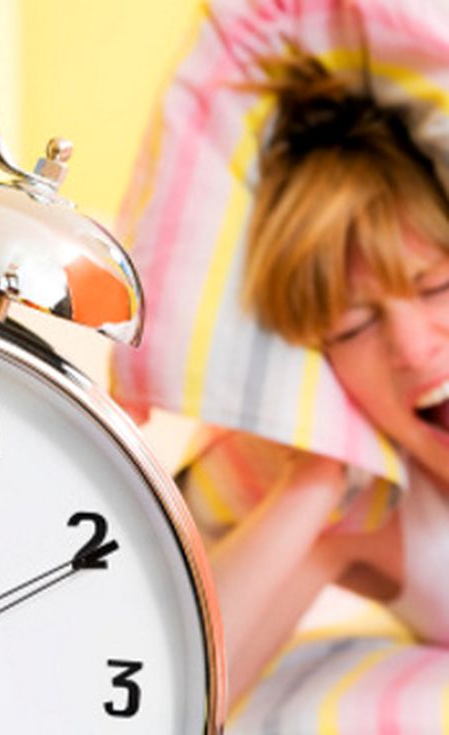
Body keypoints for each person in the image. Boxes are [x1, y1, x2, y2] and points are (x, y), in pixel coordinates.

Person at [176, 52, 449, 706]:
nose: (414, 348)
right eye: (354, 327)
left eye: (438, 286)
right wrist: (314, 480)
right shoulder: (370, 517)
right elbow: (177, 698)